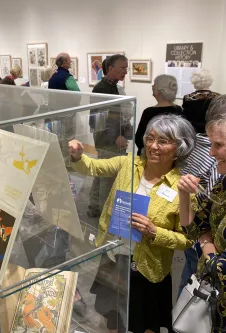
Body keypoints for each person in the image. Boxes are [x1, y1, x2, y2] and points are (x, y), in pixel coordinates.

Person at [70, 114, 196, 333]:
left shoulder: (181, 187)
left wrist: (154, 231)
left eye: (163, 141)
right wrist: (78, 156)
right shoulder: (129, 164)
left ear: (180, 148)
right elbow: (93, 168)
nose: (153, 146)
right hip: (114, 255)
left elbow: (187, 239)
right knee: (113, 317)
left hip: (147, 267)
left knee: (144, 323)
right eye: (150, 138)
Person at [178, 103, 226, 332]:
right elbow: (192, 228)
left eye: (219, 145)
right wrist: (184, 194)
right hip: (209, 296)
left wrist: (204, 241)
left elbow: (224, 270)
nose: (211, 153)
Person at [88, 54, 133, 218]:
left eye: (127, 68)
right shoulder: (102, 89)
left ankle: (94, 206)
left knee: (101, 173)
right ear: (111, 68)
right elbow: (99, 121)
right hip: (107, 141)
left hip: (107, 139)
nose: (125, 72)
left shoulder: (112, 87)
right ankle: (104, 214)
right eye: (122, 68)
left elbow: (115, 116)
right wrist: (116, 137)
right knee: (107, 177)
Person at [135, 74, 182, 155]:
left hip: (151, 156)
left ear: (159, 91)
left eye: (154, 84)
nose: (152, 86)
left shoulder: (148, 112)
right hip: (170, 157)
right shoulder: (178, 110)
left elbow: (139, 140)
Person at [182, 69, 220, 134]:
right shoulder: (217, 97)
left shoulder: (187, 98)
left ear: (194, 82)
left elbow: (185, 117)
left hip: (193, 131)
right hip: (210, 131)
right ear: (209, 82)